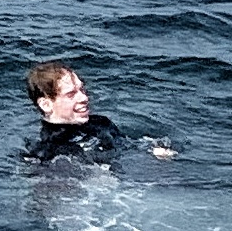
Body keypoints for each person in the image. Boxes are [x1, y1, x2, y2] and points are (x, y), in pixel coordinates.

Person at [24, 62, 175, 166]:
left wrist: (151, 148)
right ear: (46, 104)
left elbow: (128, 144)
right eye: (71, 94)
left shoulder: (102, 123)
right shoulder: (46, 151)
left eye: (82, 89)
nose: (84, 98)